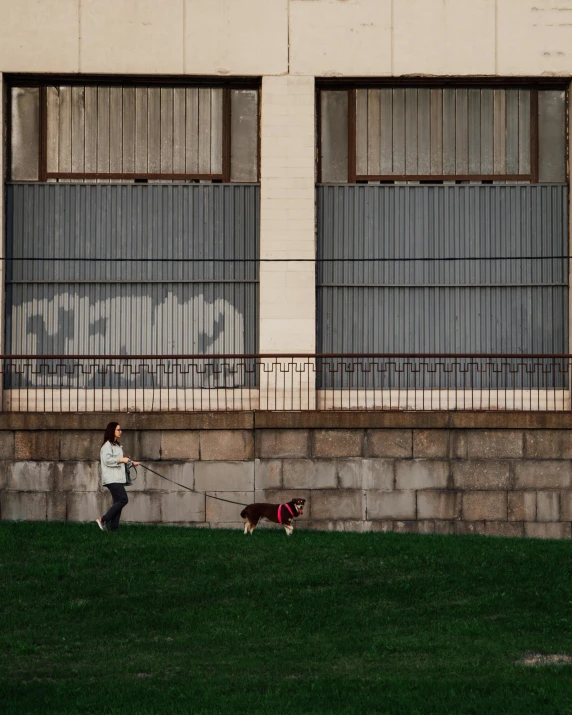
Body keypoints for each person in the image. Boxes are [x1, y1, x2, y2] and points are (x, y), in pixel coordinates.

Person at [95, 422, 139, 532]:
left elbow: (120, 462)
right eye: (118, 430)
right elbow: (107, 461)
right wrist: (121, 459)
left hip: (117, 478)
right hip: (111, 478)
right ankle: (103, 519)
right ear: (112, 431)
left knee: (118, 503)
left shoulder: (116, 445)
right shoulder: (107, 446)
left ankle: (114, 528)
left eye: (120, 429)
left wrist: (130, 463)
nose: (120, 431)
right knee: (123, 499)